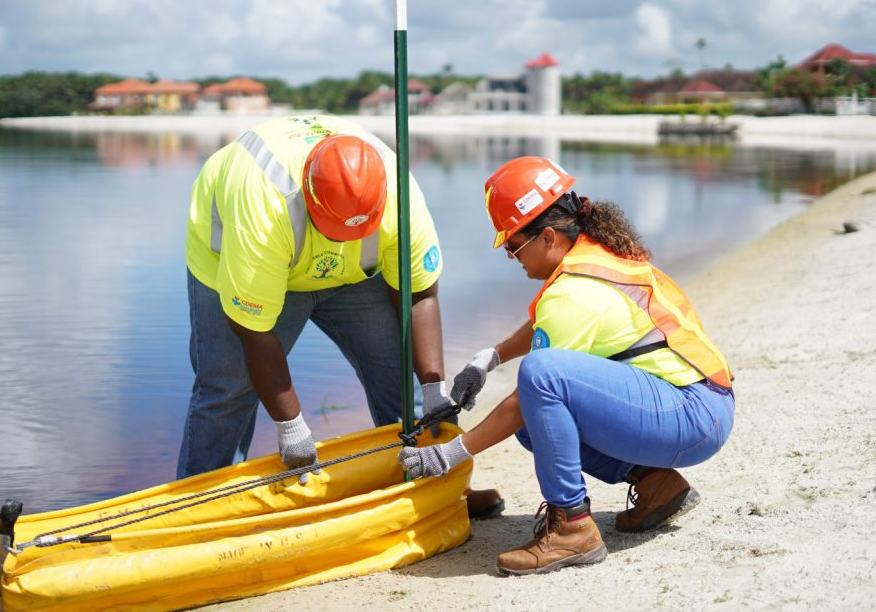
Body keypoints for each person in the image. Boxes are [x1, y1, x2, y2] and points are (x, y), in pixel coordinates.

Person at [398, 155, 735, 576]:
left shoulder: (572, 293)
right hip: (700, 405)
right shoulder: (594, 256)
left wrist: (450, 453)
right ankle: (657, 485)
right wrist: (490, 358)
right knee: (533, 414)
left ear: (549, 237)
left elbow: (533, 390)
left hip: (689, 415)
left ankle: (571, 527)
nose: (510, 256)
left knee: (541, 378)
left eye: (513, 245)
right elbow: (546, 323)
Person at [178, 114, 454, 481]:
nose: (343, 238)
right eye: (337, 228)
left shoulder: (400, 196)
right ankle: (197, 505)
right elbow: (251, 330)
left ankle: (435, 482)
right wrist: (290, 425)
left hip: (353, 277)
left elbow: (420, 295)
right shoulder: (262, 203)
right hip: (250, 264)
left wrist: (435, 389)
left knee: (402, 377)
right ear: (309, 197)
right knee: (228, 389)